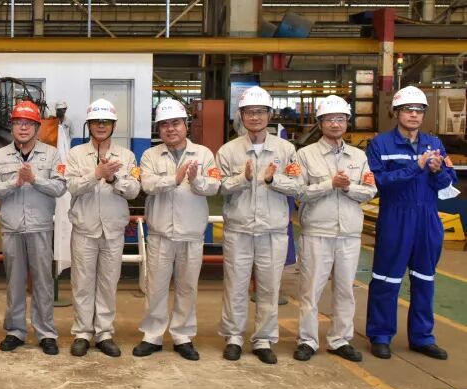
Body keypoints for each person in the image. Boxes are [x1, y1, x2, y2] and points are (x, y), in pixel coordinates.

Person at [366, 86, 458, 360]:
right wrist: (415, 167)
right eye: (408, 109)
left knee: (425, 279)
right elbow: (379, 182)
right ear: (396, 113)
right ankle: (380, 336)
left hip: (427, 218)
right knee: (386, 279)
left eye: (419, 110)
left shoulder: (435, 144)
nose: (414, 115)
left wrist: (438, 171)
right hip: (395, 217)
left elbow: (448, 185)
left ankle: (422, 338)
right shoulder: (380, 145)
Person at [216, 86, 302, 364]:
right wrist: (242, 178)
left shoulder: (286, 150)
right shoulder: (228, 151)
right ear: (240, 116)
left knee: (269, 288)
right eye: (249, 112)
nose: (255, 117)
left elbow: (298, 186)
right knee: (235, 286)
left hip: (273, 230)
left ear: (270, 114)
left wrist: (273, 180)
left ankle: (263, 339)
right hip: (238, 230)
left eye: (260, 111)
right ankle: (233, 337)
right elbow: (219, 187)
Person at [134, 98, 221, 361]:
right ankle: (152, 335)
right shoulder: (150, 155)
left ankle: (183, 336)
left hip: (191, 233)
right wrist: (175, 179)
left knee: (187, 287)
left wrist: (196, 180)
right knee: (156, 287)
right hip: (160, 233)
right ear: (158, 129)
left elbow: (214, 186)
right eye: (164, 125)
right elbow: (147, 185)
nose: (170, 129)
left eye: (175, 123)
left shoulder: (204, 154)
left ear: (186, 125)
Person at [293, 95, 376, 363]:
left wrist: (348, 187)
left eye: (340, 119)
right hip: (317, 232)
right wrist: (329, 184)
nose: (335, 124)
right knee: (310, 290)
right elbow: (299, 192)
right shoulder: (305, 155)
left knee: (345, 290)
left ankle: (340, 339)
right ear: (320, 123)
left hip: (349, 234)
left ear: (347, 122)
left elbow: (370, 190)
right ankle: (307, 340)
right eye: (329, 119)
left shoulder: (358, 156)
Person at [0, 100, 67, 355]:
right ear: (12, 127)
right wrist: (15, 182)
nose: (23, 128)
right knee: (15, 282)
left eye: (28, 123)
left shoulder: (52, 155)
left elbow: (60, 187)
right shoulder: (1, 156)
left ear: (37, 127)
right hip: (11, 228)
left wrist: (34, 179)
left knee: (43, 282)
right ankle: (15, 331)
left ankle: (46, 333)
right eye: (18, 123)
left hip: (40, 228)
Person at [64, 99, 140, 357]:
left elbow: (134, 190)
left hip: (113, 231)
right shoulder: (76, 154)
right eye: (96, 121)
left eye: (106, 122)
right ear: (89, 125)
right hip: (84, 229)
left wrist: (113, 178)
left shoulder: (127, 156)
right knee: (82, 283)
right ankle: (83, 333)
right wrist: (95, 174)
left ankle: (104, 333)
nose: (100, 126)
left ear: (113, 125)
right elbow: (71, 186)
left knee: (108, 283)